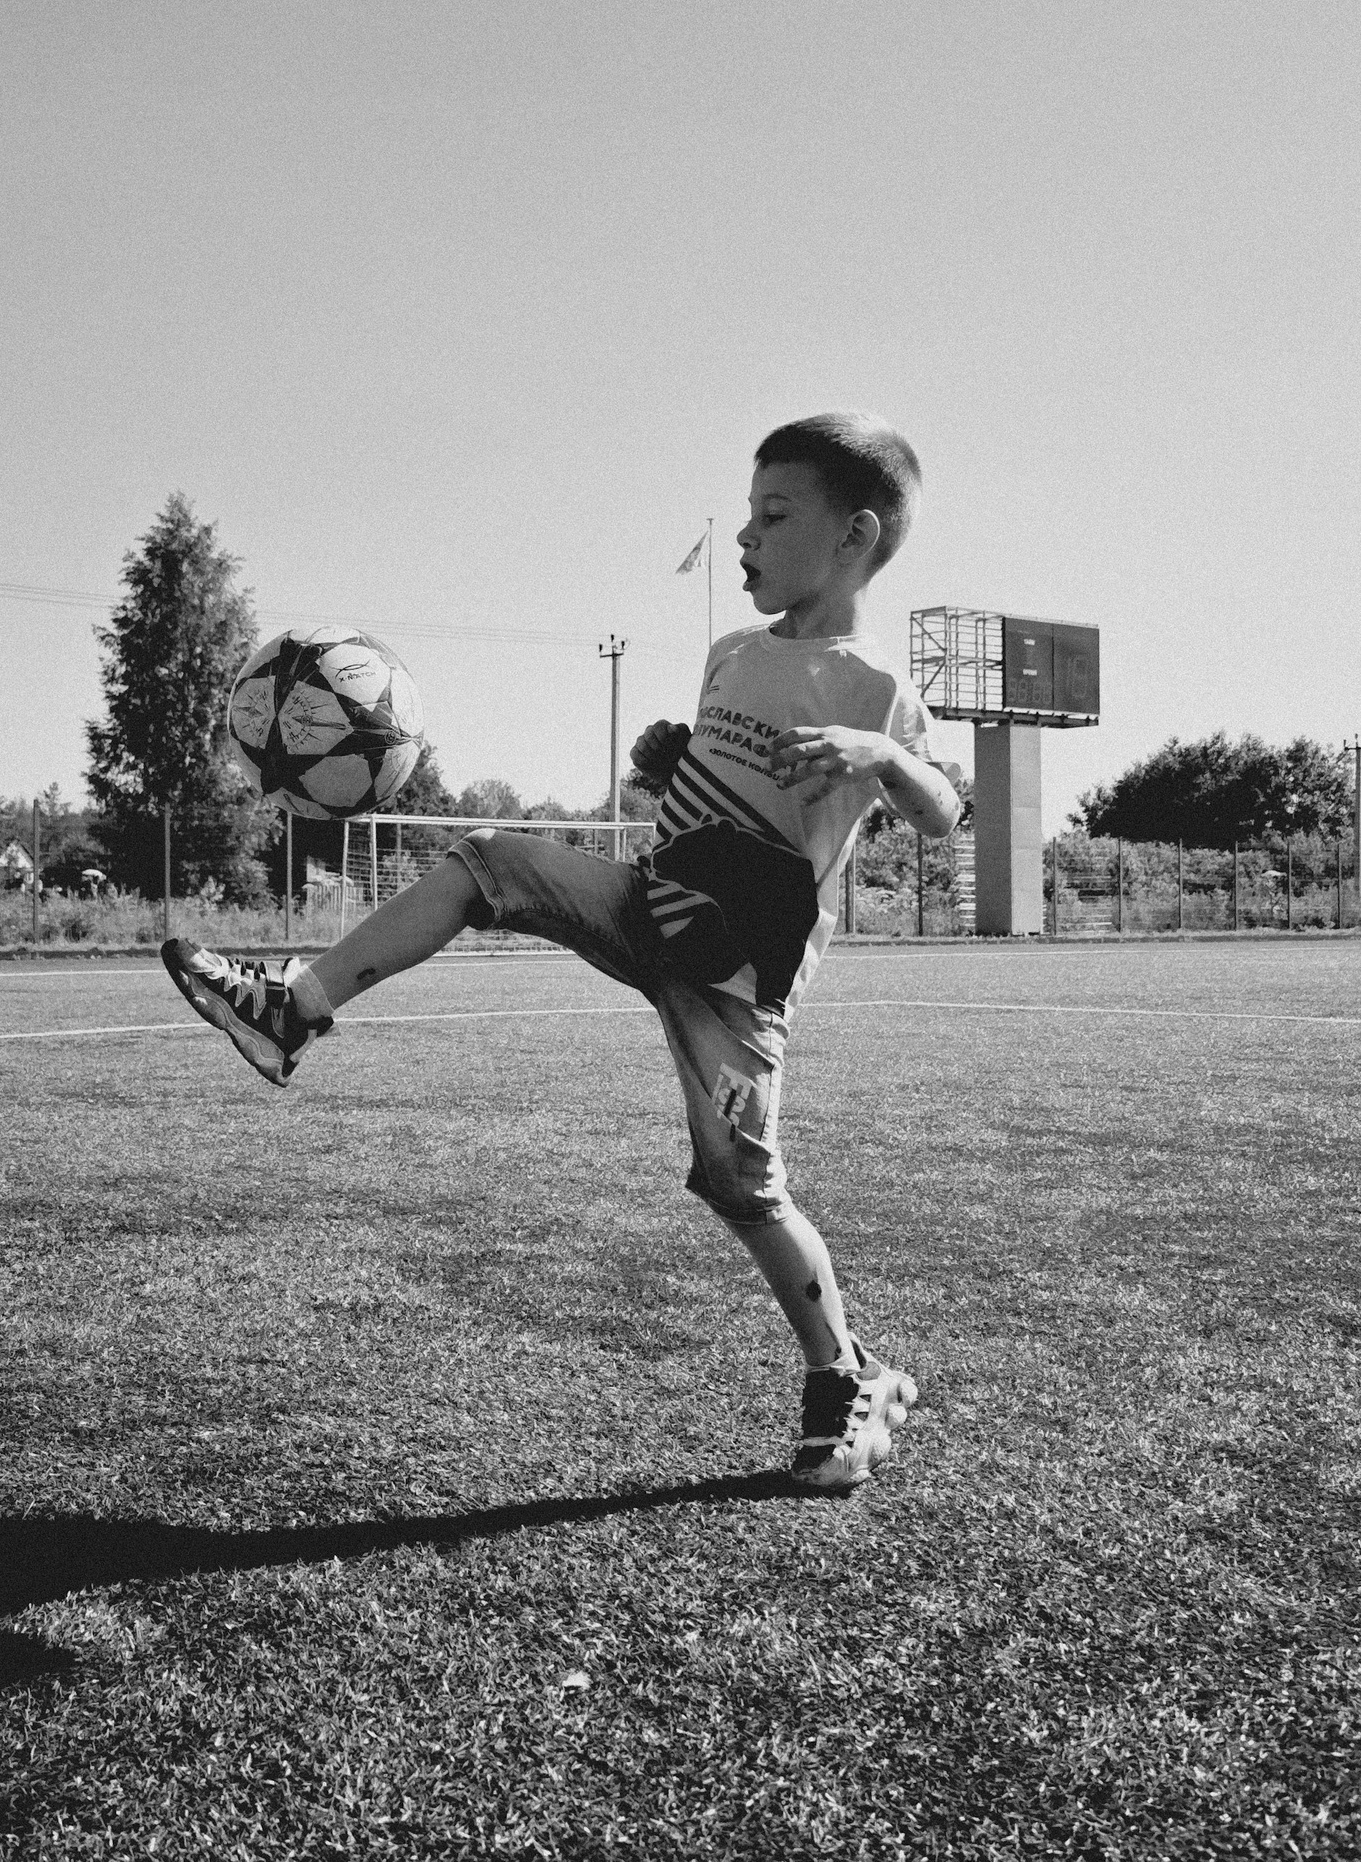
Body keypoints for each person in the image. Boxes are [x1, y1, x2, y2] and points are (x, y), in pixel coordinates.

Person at [163, 413, 963, 1491]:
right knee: (487, 858)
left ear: (854, 537)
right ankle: (290, 1008)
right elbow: (715, 801)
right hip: (647, 904)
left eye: (774, 516)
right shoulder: (730, 654)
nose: (744, 536)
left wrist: (882, 754)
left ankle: (844, 1372)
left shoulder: (874, 687)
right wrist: (669, 764)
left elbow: (942, 812)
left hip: (733, 977)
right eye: (747, 511)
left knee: (743, 1187)